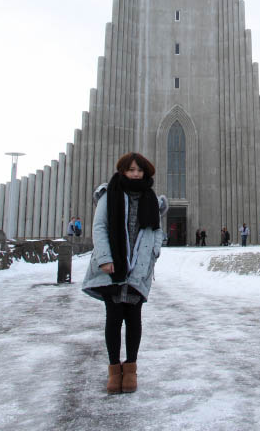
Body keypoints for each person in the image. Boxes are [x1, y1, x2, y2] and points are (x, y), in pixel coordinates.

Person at [82, 152, 167, 394]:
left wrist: (154, 253)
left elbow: (156, 231)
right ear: (123, 171)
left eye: (139, 170)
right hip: (113, 267)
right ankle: (113, 370)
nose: (135, 173)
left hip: (138, 268)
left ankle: (130, 370)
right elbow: (99, 227)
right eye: (131, 169)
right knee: (113, 317)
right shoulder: (110, 195)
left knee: (134, 318)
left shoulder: (150, 198)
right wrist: (105, 259)